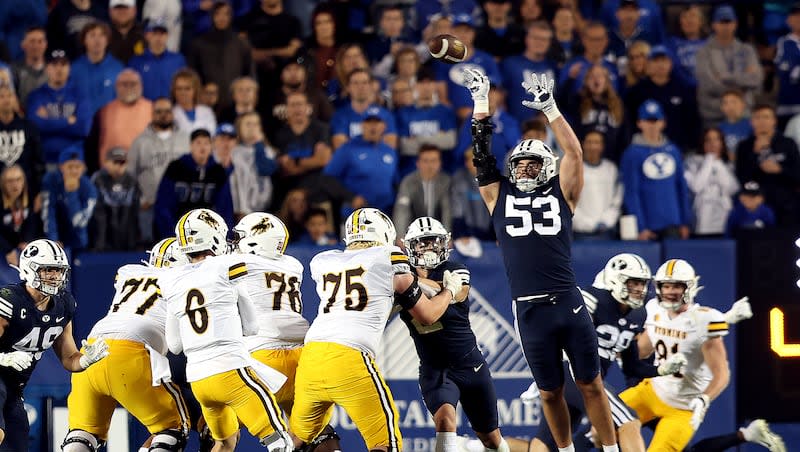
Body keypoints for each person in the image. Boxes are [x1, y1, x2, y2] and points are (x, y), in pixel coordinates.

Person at [462, 68, 620, 452]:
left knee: (591, 384)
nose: (525, 169)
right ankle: (564, 451)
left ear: (546, 167)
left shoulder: (563, 193)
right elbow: (481, 153)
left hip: (567, 299)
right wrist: (481, 104)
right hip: (530, 310)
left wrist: (550, 108)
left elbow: (575, 152)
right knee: (550, 393)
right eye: (520, 165)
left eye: (533, 164)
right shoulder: (498, 196)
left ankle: (612, 449)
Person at [290, 208, 464, 452]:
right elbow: (427, 315)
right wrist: (449, 291)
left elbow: (365, 282)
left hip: (311, 358)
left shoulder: (324, 260)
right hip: (349, 357)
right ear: (385, 234)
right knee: (386, 443)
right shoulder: (389, 256)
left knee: (296, 440)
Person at [161, 208, 292, 452]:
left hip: (198, 379)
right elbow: (252, 327)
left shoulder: (171, 280)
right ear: (214, 236)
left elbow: (175, 345)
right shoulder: (226, 266)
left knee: (223, 443)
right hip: (230, 370)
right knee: (280, 441)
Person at [63, 238, 190, 452]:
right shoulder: (184, 281)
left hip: (92, 352)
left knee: (82, 435)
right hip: (132, 353)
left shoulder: (129, 272)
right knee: (173, 429)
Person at [232, 212, 341, 450]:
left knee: (219, 430)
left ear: (254, 240)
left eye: (241, 237)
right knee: (315, 432)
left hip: (265, 360)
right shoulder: (293, 265)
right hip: (304, 360)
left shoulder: (236, 264)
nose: (235, 242)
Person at [401, 217, 509, 452]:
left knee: (492, 439)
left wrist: (405, 281)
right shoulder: (402, 276)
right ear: (409, 246)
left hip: (470, 365)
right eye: (422, 243)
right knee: (445, 421)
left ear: (445, 243)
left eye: (433, 242)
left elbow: (458, 293)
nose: (429, 248)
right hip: (435, 369)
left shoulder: (454, 269)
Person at [0, 239, 109, 450]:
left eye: (58, 270)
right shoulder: (10, 301)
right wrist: (4, 357)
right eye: (48, 269)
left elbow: (69, 359)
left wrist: (86, 359)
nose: (54, 276)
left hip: (14, 390)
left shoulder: (63, 305)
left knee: (17, 444)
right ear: (29, 269)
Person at [620, 259, 730, 451]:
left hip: (683, 407)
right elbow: (643, 349)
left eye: (677, 286)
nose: (670, 292)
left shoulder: (704, 320)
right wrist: (616, 347)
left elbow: (722, 374)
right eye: (666, 286)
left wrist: (704, 399)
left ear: (689, 287)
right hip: (651, 391)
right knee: (599, 427)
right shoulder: (654, 308)